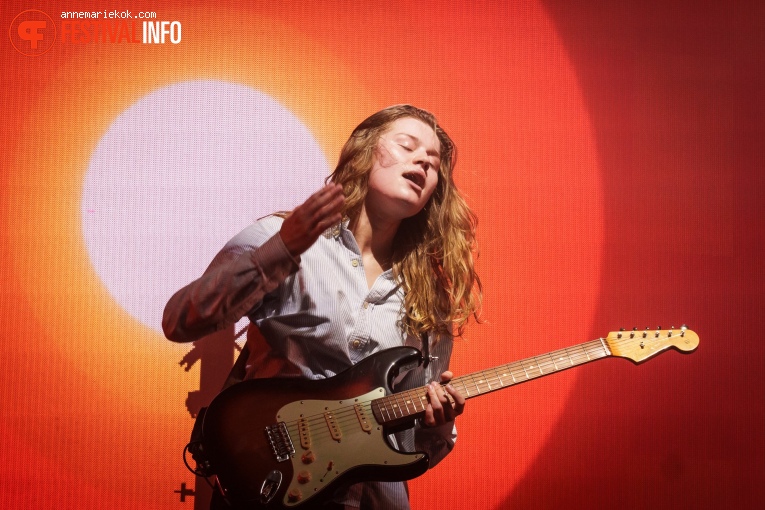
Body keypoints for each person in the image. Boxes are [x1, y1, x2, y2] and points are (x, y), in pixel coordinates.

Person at [163, 104, 482, 509]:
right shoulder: (285, 236)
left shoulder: (430, 296)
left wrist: (441, 419)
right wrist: (281, 250)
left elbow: (419, 445)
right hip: (271, 492)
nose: (422, 160)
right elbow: (181, 319)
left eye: (434, 163)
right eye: (407, 146)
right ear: (364, 152)